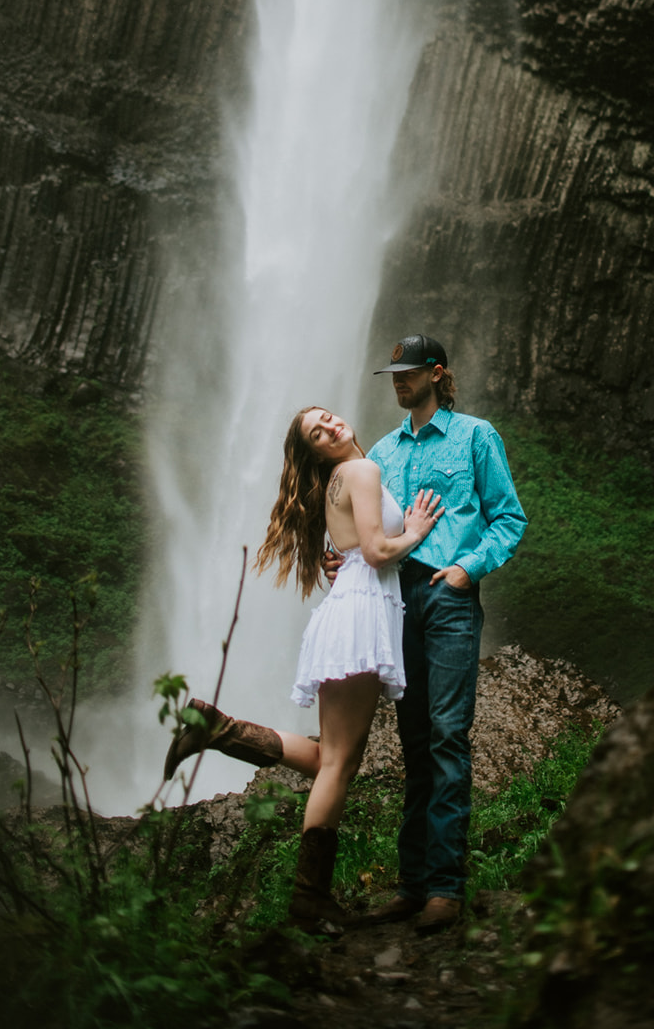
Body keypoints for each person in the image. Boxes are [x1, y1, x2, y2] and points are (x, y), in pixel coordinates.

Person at [162, 403, 443, 932]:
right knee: (338, 764)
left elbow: (353, 548)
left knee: (331, 760)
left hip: (352, 609)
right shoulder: (360, 471)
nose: (333, 426)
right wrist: (418, 530)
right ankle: (308, 898)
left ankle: (218, 729)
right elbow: (379, 552)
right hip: (361, 613)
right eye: (319, 431)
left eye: (330, 418)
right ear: (315, 450)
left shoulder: (342, 476)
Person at [358, 333, 527, 934]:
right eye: (393, 373)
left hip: (450, 601)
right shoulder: (381, 452)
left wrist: (467, 568)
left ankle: (445, 889)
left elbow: (509, 518)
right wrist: (341, 560)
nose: (398, 380)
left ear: (437, 372)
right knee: (413, 739)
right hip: (397, 599)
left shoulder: (476, 436)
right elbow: (368, 532)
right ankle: (412, 884)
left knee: (449, 736)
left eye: (408, 371)